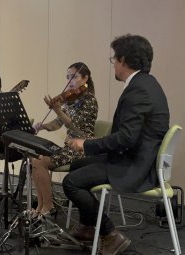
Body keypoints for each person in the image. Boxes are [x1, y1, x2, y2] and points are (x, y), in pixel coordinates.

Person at [64, 34, 169, 254]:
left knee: (71, 182)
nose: (114, 65)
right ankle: (87, 226)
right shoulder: (146, 83)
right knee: (76, 166)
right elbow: (129, 137)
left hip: (136, 165)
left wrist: (86, 144)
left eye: (114, 60)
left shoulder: (138, 90)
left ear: (123, 60)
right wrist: (91, 145)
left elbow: (126, 138)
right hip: (137, 156)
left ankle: (110, 234)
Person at [31, 62, 98, 218]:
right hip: (69, 147)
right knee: (35, 159)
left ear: (85, 78)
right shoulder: (70, 100)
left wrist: (58, 110)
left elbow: (74, 127)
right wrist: (42, 126)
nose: (69, 81)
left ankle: (48, 205)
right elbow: (58, 123)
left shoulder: (90, 101)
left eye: (73, 77)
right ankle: (41, 205)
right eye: (67, 77)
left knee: (39, 160)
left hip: (83, 149)